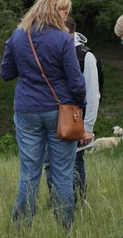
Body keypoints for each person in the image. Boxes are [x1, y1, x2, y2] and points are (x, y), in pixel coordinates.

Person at [0, 0, 86, 229]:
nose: (65, 15)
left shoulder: (18, 36)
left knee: (29, 172)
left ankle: (21, 226)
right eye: (64, 11)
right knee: (62, 174)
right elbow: (77, 82)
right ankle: (64, 227)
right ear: (55, 10)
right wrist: (81, 107)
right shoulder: (63, 38)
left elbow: (6, 73)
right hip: (60, 111)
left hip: (27, 110)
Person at [45, 17, 100, 204]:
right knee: (50, 164)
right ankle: (56, 202)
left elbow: (93, 93)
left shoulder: (86, 56)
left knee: (75, 162)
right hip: (51, 117)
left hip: (76, 119)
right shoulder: (52, 51)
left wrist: (88, 126)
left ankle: (77, 203)